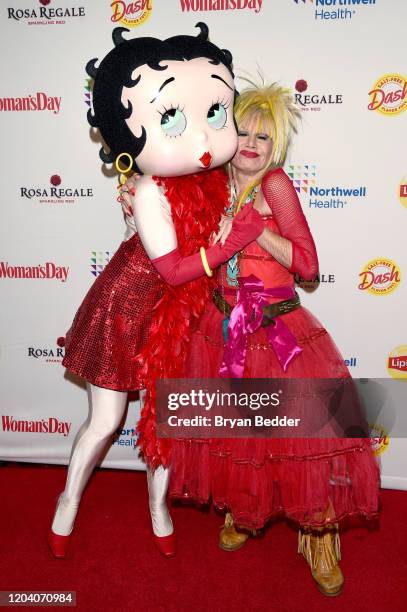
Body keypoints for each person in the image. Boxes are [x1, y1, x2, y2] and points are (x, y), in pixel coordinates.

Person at [48, 24, 265, 560]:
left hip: (183, 316)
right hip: (127, 308)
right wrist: (231, 241)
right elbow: (171, 269)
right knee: (106, 421)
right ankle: (67, 502)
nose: (202, 136)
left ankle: (159, 508)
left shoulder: (215, 182)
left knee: (165, 420)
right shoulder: (148, 190)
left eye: (215, 113)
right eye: (171, 117)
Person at [167, 81, 380, 595]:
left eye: (264, 136)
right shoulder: (212, 182)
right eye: (242, 131)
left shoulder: (276, 186)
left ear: (277, 143)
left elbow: (309, 266)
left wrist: (256, 230)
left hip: (277, 330)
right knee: (240, 434)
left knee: (306, 441)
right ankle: (245, 510)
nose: (251, 143)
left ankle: (320, 536)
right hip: (222, 329)